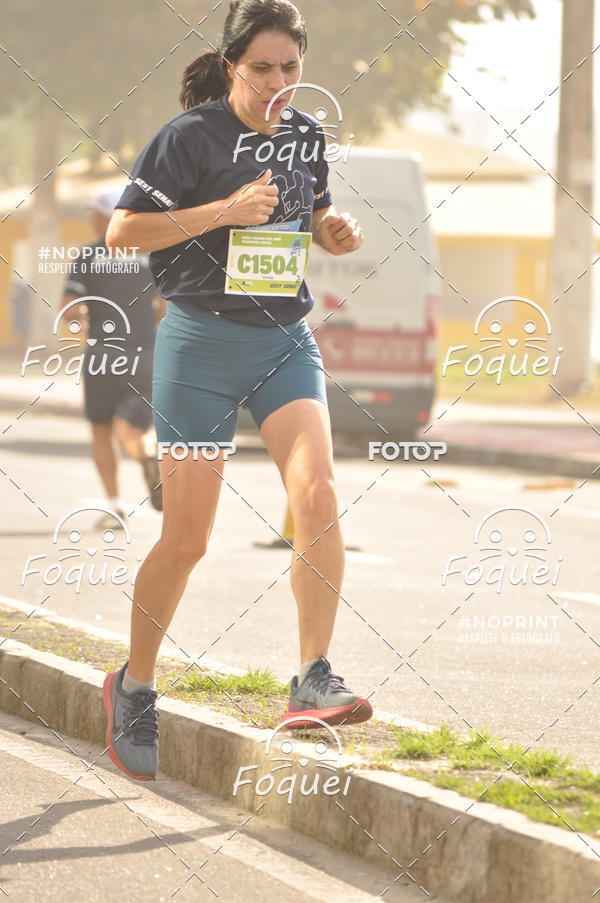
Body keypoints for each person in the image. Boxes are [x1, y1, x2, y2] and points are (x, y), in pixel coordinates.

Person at [102, 0, 370, 782]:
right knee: (189, 539)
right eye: (263, 68)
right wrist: (221, 211)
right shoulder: (188, 139)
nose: (280, 82)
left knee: (317, 494)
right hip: (198, 345)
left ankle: (312, 676)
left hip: (284, 338)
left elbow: (311, 215)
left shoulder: (305, 134)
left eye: (292, 68)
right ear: (231, 66)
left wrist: (333, 230)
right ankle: (136, 685)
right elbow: (122, 235)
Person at [61, 187, 165, 527]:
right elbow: (165, 306)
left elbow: (69, 307)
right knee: (130, 431)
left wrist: (79, 318)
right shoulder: (152, 255)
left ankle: (114, 506)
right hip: (145, 356)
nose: (92, 218)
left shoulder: (89, 255)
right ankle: (148, 458)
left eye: (97, 213)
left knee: (101, 432)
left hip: (102, 357)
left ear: (109, 218)